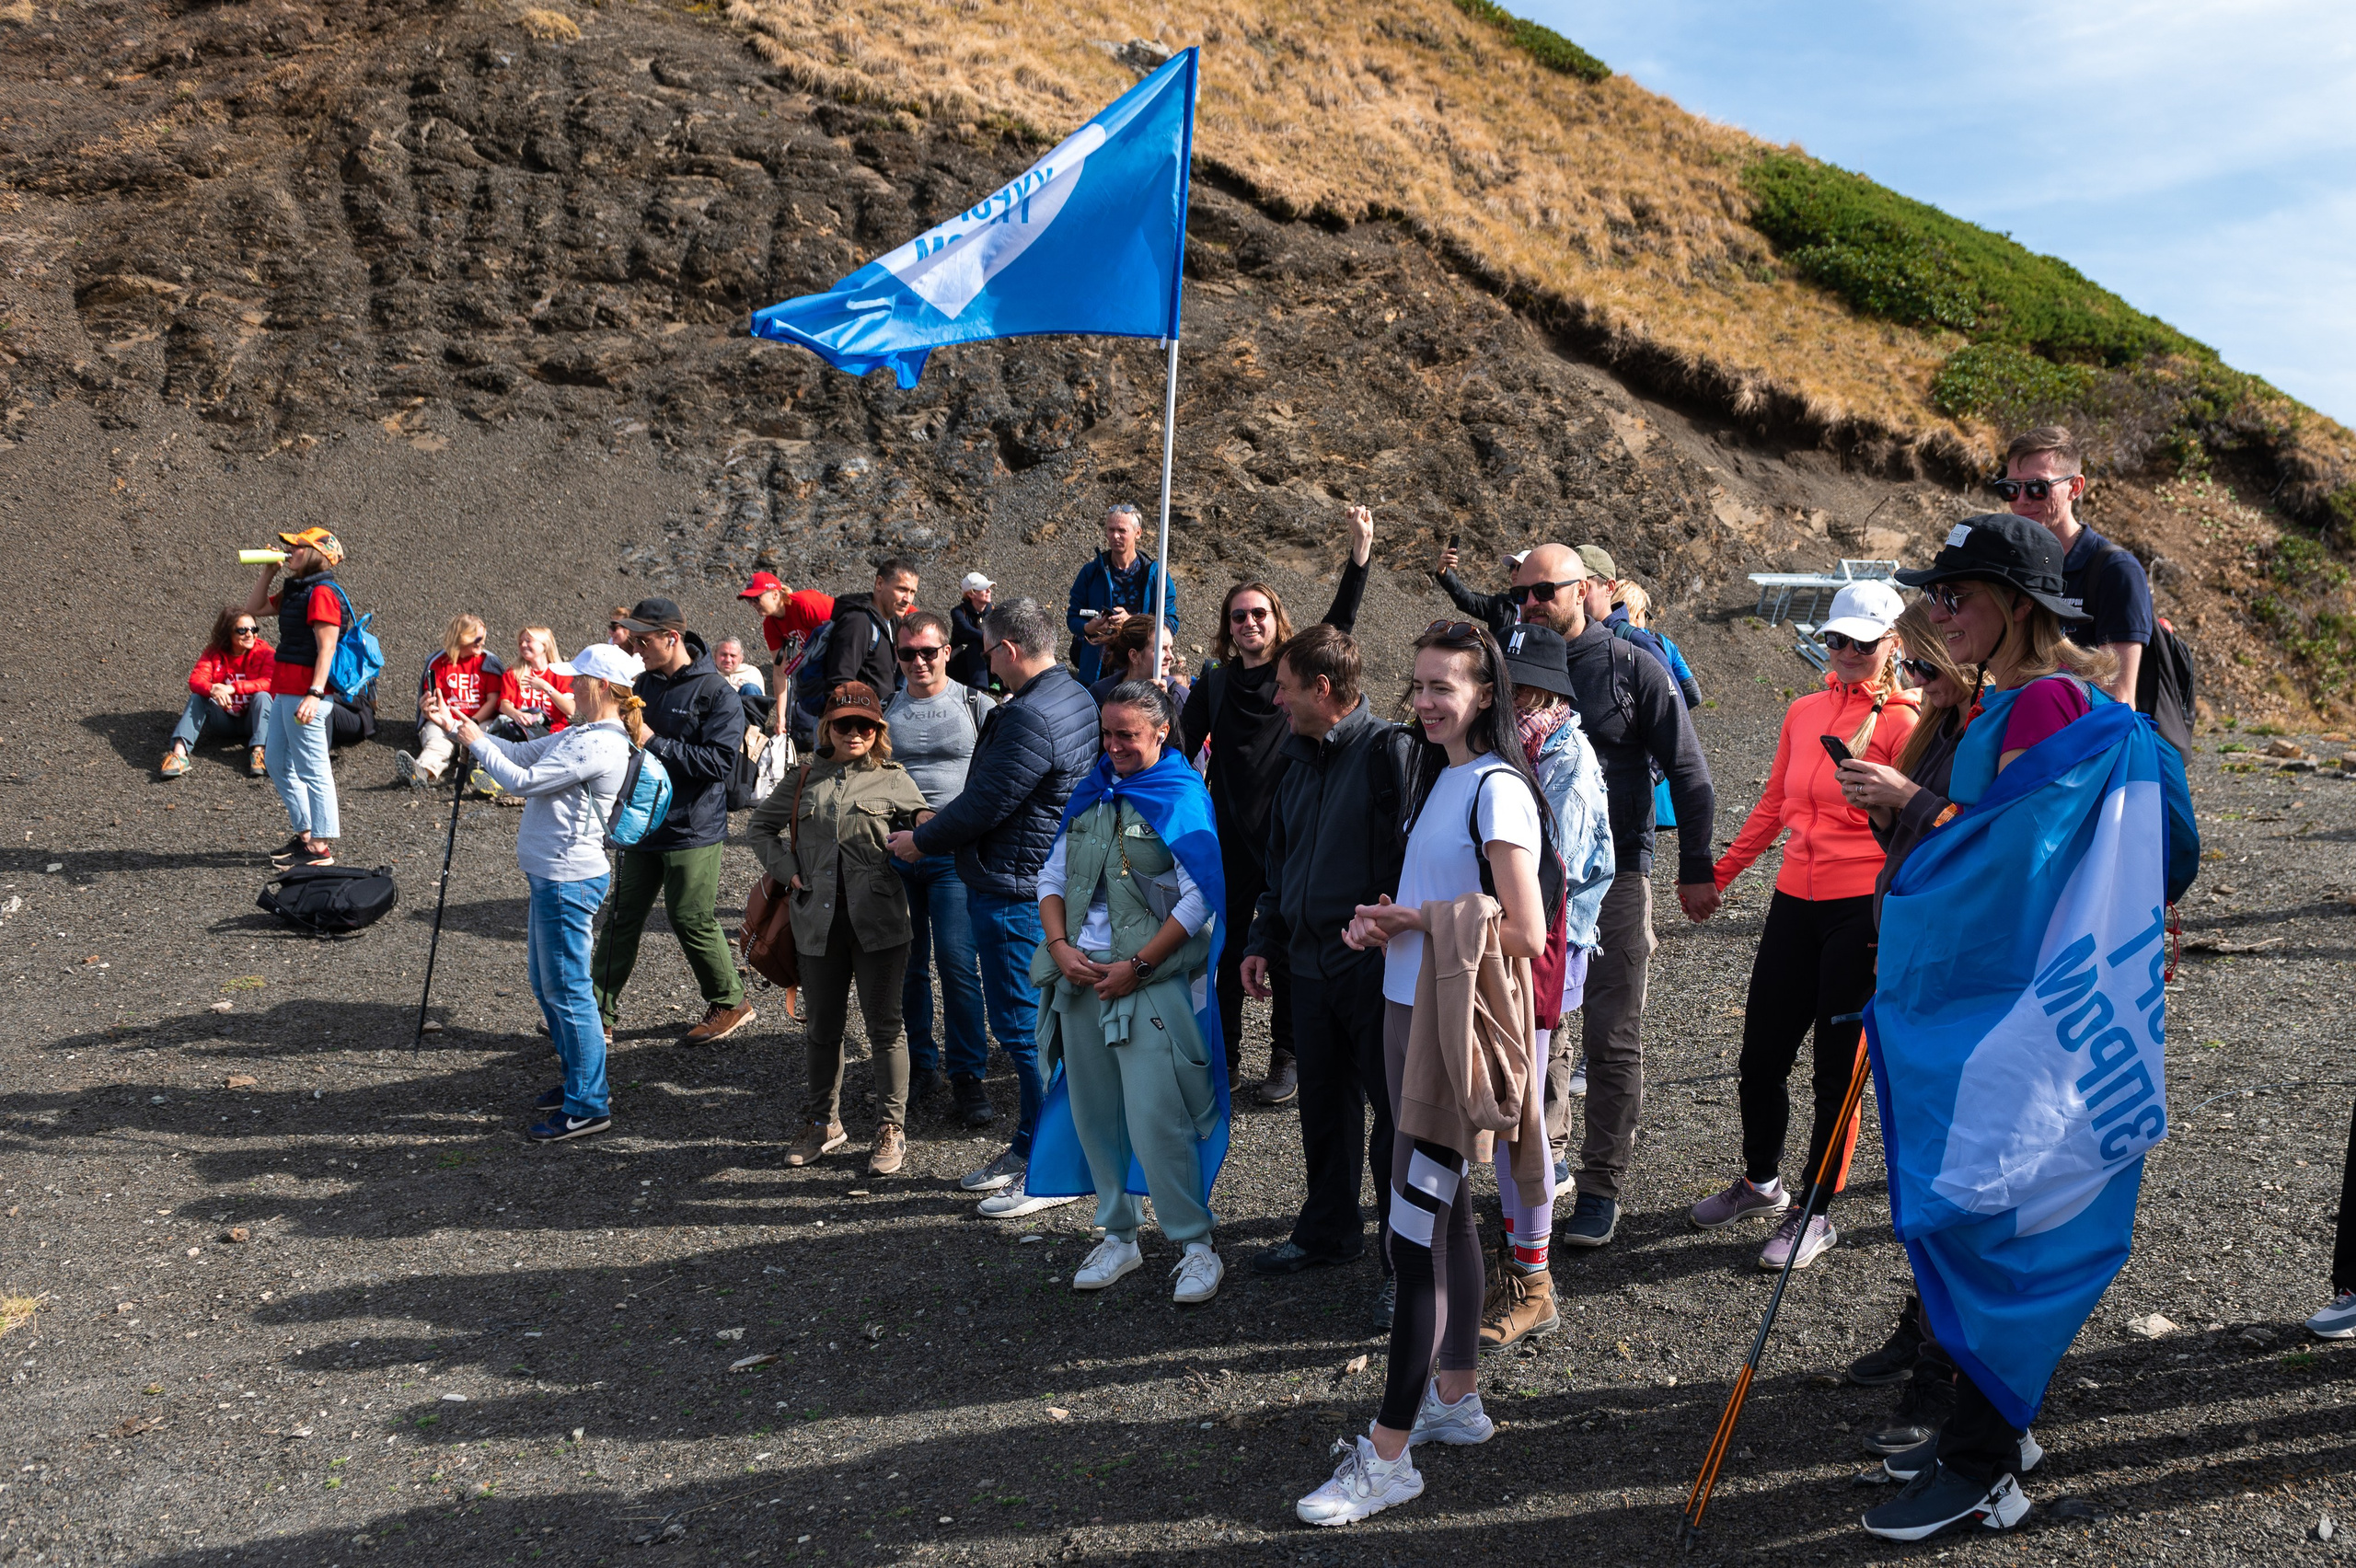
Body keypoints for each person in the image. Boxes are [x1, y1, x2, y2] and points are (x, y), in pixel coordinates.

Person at [1855, 513, 2142, 1541]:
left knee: (1991, 1213)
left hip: (2015, 1012)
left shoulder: (2051, 703)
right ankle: (1993, 1436)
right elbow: (1993, 843)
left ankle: (1983, 1464)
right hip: (1992, 1003)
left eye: (1957, 595)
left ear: (2017, 607)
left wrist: (1914, 810)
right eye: (1936, 595)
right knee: (1981, 1207)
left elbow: (2017, 864)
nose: (1938, 613)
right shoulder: (2003, 706)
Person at [1295, 621, 1548, 1528]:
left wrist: (1418, 923)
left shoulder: (1497, 792)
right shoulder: (1442, 780)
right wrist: (1387, 924)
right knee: (1445, 1226)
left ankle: (1390, 1456)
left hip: (1445, 1040)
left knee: (1411, 1241)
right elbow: (1447, 910)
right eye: (1420, 684)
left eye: (1446, 685)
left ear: (1487, 694)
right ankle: (1456, 1398)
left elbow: (1525, 934)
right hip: (1411, 1020)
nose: (1428, 701)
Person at [1692, 581, 1918, 1272]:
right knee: (1761, 1054)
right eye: (1837, 639)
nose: (1847, 652)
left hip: (1861, 907)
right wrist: (1718, 873)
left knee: (1834, 1067)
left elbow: (1922, 825)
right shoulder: (1803, 710)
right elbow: (1773, 802)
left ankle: (1815, 1211)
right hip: (1793, 900)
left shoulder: (1909, 721)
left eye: (1862, 642)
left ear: (1893, 646)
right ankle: (1763, 1181)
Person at [1508, 543, 1716, 1242]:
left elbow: (1689, 770)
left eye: (1547, 591)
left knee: (1612, 1030)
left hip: (1619, 872)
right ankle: (1547, 1160)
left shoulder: (1632, 666)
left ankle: (1601, 1184)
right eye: (1523, 593)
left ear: (1587, 589)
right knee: (1541, 1025)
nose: (1532, 604)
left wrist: (1695, 865)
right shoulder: (1507, 665)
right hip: (1525, 876)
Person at [1829, 602, 1985, 1454]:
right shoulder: (1937, 725)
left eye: (1925, 670)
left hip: (1960, 964)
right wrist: (1885, 807)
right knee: (1921, 1163)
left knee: (1952, 1169)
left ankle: (1943, 1361)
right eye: (1913, 673)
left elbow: (1991, 842)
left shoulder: (1995, 726)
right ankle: (1922, 1320)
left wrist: (1910, 799)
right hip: (1910, 947)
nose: (1916, 686)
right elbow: (1920, 837)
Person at [889, 597, 1099, 1213]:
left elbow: (987, 804)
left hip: (1012, 885)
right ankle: (1032, 1144)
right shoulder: (1075, 694)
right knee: (1040, 1025)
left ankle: (1052, 1170)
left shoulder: (1028, 716)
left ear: (1008, 650)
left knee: (1024, 1030)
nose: (987, 665)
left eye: (986, 652)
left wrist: (919, 839)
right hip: (1040, 875)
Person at [1030, 681, 1229, 1302]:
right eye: (1106, 733)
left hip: (1147, 983)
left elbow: (1201, 897)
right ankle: (1119, 1234)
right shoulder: (1093, 790)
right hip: (1082, 979)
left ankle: (1196, 1245)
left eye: (1127, 736)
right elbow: (1052, 875)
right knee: (1094, 1113)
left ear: (1162, 732)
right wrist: (1061, 948)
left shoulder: (1180, 795)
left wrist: (1139, 966)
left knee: (1155, 1114)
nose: (1113, 746)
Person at [1244, 623, 1412, 1313]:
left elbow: (1413, 863)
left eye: (1284, 688)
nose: (1276, 700)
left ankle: (1405, 1263)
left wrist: (1388, 932)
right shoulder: (1299, 757)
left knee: (1396, 1120)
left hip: (1373, 968)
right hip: (1306, 967)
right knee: (1322, 1106)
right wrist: (1262, 936)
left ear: (1321, 688)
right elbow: (1278, 863)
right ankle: (1329, 1231)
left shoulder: (1390, 753)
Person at [1184, 506, 1372, 1108]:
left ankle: (1287, 1060)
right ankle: (1226, 1059)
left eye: (1258, 613)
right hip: (1233, 842)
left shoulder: (1295, 674)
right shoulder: (1212, 683)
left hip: (1293, 833)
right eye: (1237, 616)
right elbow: (1174, 752)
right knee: (1232, 953)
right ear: (1227, 625)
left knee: (1291, 949)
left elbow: (1339, 623)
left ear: (1276, 621)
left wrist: (1359, 559)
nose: (1248, 623)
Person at [425, 643, 640, 1141]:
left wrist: (478, 742)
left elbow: (521, 780)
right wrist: (459, 721)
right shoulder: (582, 732)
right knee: (549, 985)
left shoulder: (600, 744)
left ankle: (588, 1103)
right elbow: (519, 752)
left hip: (569, 879)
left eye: (576, 679)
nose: (569, 686)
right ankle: (577, 1083)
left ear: (601, 687)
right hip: (553, 876)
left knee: (568, 991)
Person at [1480, 623, 1615, 1350]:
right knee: (1508, 1105)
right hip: (1509, 948)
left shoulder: (1566, 756)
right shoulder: (1510, 749)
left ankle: (1531, 1275)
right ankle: (1515, 1252)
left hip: (1545, 950)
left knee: (1525, 1110)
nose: (1513, 695)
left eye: (1522, 684)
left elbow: (1554, 871)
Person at [747, 682, 932, 1175]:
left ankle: (891, 1128)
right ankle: (821, 1123)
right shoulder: (803, 777)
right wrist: (787, 871)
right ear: (827, 727)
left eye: (866, 725)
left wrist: (928, 824)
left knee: (886, 1028)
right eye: (844, 724)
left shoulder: (893, 777)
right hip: (817, 925)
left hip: (881, 925)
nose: (855, 733)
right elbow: (759, 827)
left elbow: (922, 818)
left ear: (878, 731)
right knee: (823, 1029)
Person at [592, 597, 756, 1045]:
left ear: (672, 637)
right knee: (622, 916)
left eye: (643, 639)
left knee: (690, 918)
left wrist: (652, 740)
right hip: (642, 825)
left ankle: (730, 1002)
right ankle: (597, 1015)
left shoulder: (717, 693)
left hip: (692, 826)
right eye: (632, 638)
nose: (636, 647)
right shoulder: (642, 682)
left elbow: (720, 763)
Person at [884, 609, 996, 1122]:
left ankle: (968, 1074)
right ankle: (920, 1066)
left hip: (953, 856)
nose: (919, 662)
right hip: (895, 855)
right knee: (907, 969)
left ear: (948, 651)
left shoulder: (978, 706)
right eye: (908, 653)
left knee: (956, 965)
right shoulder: (884, 709)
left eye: (928, 651)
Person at [1997, 425, 2148, 706]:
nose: (2021, 500)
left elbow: (2119, 699)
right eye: (2010, 488)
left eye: (2036, 487)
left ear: (2075, 487)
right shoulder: (2009, 565)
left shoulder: (2115, 570)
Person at [243, 527, 349, 870]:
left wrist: (315, 693)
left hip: (307, 693)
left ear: (315, 553)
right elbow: (254, 608)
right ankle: (306, 834)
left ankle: (321, 846)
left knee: (314, 769)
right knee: (275, 761)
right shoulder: (297, 590)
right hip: (286, 689)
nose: (290, 550)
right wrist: (268, 571)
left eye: (297, 546)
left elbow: (327, 647)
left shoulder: (322, 593)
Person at [1067, 503, 1177, 686]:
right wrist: (1089, 628)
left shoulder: (1156, 575)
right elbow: (1072, 618)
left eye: (1121, 530)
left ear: (1138, 533)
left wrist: (1132, 623)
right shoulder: (1090, 573)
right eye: (1111, 530)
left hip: (1140, 671)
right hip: (1095, 671)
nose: (1115, 536)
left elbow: (1171, 622)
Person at [165, 607, 274, 779]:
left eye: (254, 629)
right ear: (227, 632)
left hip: (254, 720)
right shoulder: (213, 652)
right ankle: (179, 755)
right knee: (197, 698)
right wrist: (212, 689)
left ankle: (259, 753)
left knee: (263, 696)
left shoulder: (265, 651)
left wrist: (233, 688)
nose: (250, 634)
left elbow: (270, 681)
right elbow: (195, 680)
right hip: (224, 720)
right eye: (242, 630)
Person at [398, 615, 504, 788]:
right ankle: (423, 771)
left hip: (480, 719)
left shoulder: (488, 662)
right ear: (462, 638)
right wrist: (431, 712)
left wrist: (473, 721)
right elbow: (433, 697)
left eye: (484, 639)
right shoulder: (438, 662)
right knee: (437, 745)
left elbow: (493, 700)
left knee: (486, 740)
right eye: (478, 639)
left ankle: (478, 773)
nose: (483, 643)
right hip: (445, 718)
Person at [1088, 615, 1195, 755]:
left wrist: (1165, 708)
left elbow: (1192, 764)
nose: (1171, 656)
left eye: (1171, 648)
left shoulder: (1179, 698)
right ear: (1134, 655)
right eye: (1161, 649)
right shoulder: (1099, 695)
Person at [822, 558, 919, 698]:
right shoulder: (858, 621)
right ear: (879, 584)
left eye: (912, 592)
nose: (908, 599)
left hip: (879, 715)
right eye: (902, 589)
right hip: (859, 717)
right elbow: (840, 684)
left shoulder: (893, 621)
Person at [741, 571, 833, 713]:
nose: (753, 604)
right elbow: (779, 671)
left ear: (775, 594)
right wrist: (781, 716)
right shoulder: (770, 625)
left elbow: (846, 626)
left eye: (756, 598)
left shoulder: (805, 603)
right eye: (749, 600)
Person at [1430, 540, 1520, 642]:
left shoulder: (1541, 607)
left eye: (1519, 567)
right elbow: (1468, 600)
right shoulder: (1500, 604)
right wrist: (1444, 573)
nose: (1514, 572)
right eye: (1512, 567)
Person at [497, 626, 575, 737]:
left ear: (544, 645)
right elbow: (504, 705)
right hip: (522, 732)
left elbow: (570, 710)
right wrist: (516, 714)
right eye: (520, 642)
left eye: (528, 641)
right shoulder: (513, 673)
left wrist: (545, 687)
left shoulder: (561, 674)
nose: (523, 645)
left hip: (554, 732)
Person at [949, 572, 995, 691]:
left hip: (988, 662)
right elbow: (967, 631)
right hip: (960, 664)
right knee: (976, 644)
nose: (989, 591)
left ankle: (1008, 692)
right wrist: (991, 639)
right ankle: (979, 689)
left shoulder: (994, 612)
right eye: (984, 589)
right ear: (970, 594)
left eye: (989, 588)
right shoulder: (958, 612)